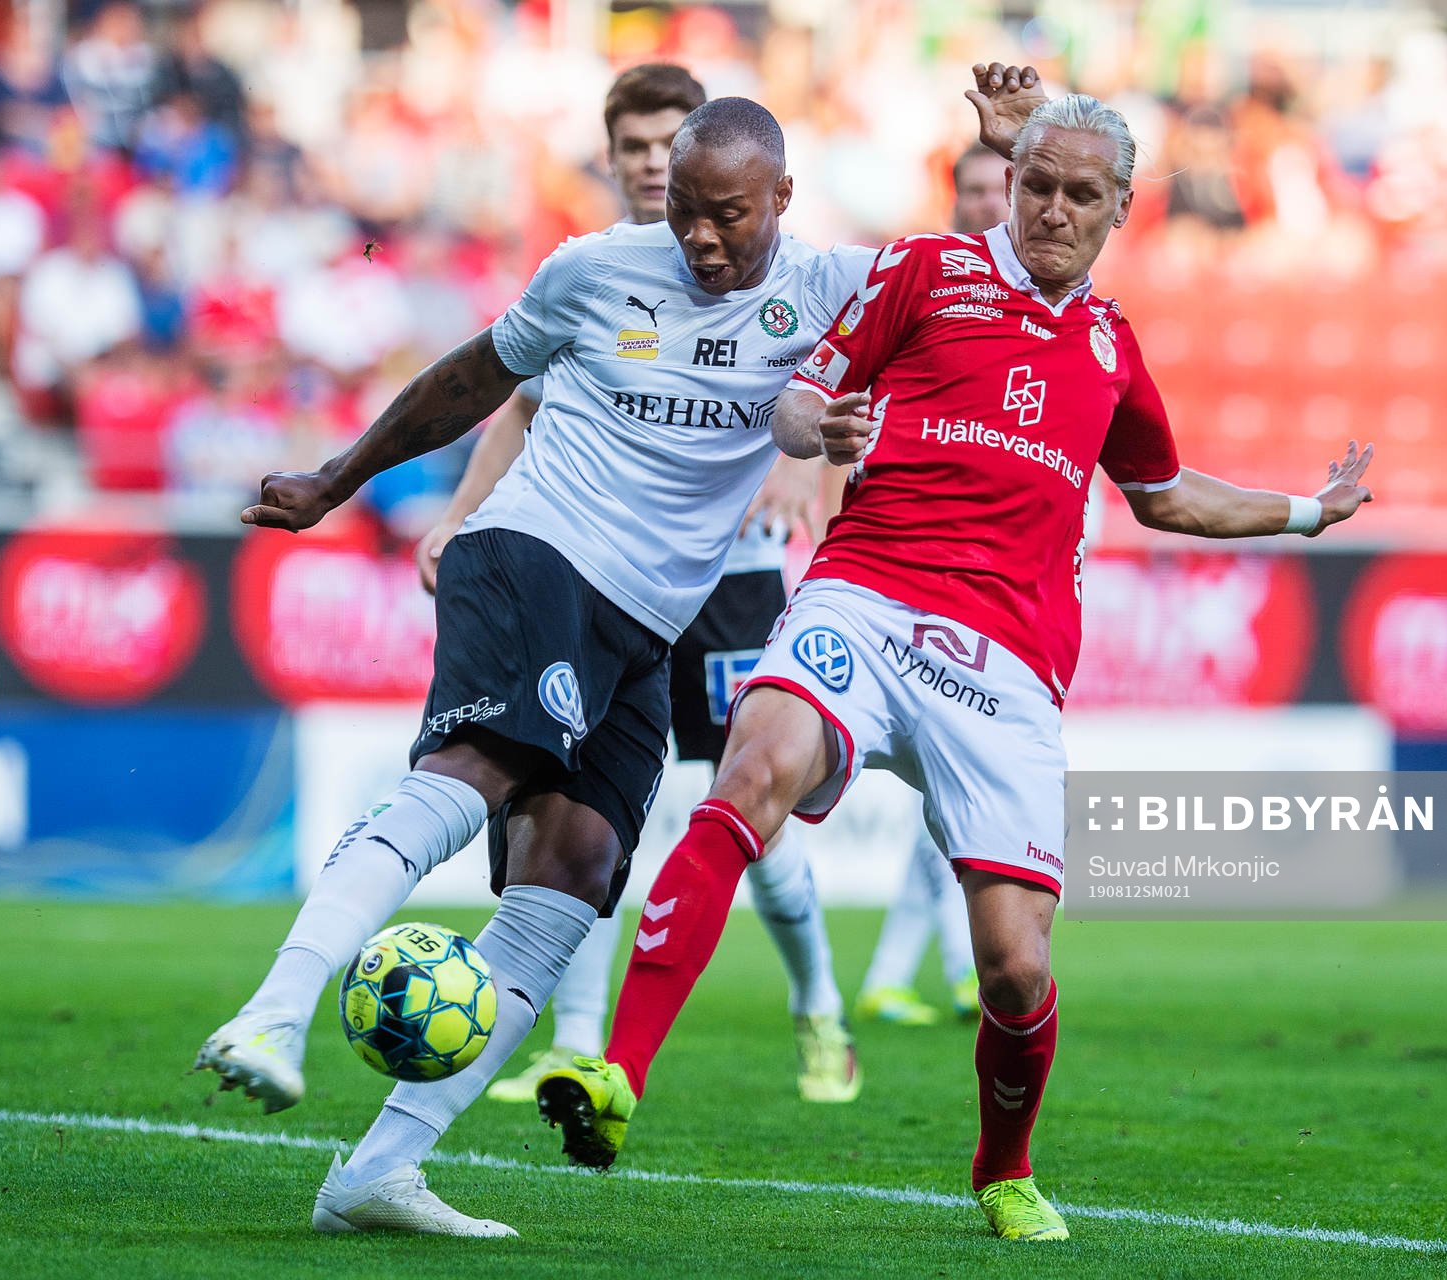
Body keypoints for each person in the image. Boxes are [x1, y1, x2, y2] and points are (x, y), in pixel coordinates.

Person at [193, 67, 1048, 1238]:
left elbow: (982, 282)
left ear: (783, 196)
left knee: (580, 872)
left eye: (725, 213)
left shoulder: (831, 286)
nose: (695, 232)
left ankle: (378, 1170)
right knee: (480, 773)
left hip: (645, 624)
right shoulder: (594, 270)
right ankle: (275, 1010)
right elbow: (470, 382)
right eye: (683, 206)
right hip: (534, 554)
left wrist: (1006, 155)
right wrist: (337, 480)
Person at [539, 94, 1375, 1244]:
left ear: (1119, 211)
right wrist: (815, 424)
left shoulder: (1111, 347)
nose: (1053, 210)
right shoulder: (926, 269)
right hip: (867, 596)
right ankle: (614, 1071)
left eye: (1082, 195)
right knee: (749, 770)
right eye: (1037, 184)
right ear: (1007, 176)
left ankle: (1004, 1166)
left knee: (1015, 966)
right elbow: (794, 397)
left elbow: (1164, 493)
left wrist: (1302, 511)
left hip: (1007, 663)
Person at [413, 64, 857, 1107]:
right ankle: (570, 1040)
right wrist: (461, 514)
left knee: (752, 808)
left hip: (728, 576)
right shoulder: (596, 272)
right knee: (582, 796)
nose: (655, 162)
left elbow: (841, 378)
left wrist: (806, 464)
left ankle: (818, 1010)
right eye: (637, 148)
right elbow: (520, 408)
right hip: (599, 560)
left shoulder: (779, 268)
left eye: (671, 143)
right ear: (614, 159)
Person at [853, 143, 1012, 1028]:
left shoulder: (1064, 315)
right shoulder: (926, 295)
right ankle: (959, 967)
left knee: (951, 800)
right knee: (957, 793)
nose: (990, 206)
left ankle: (894, 972)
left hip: (1018, 596)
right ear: (954, 201)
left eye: (1003, 190)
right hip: (928, 584)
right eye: (976, 192)